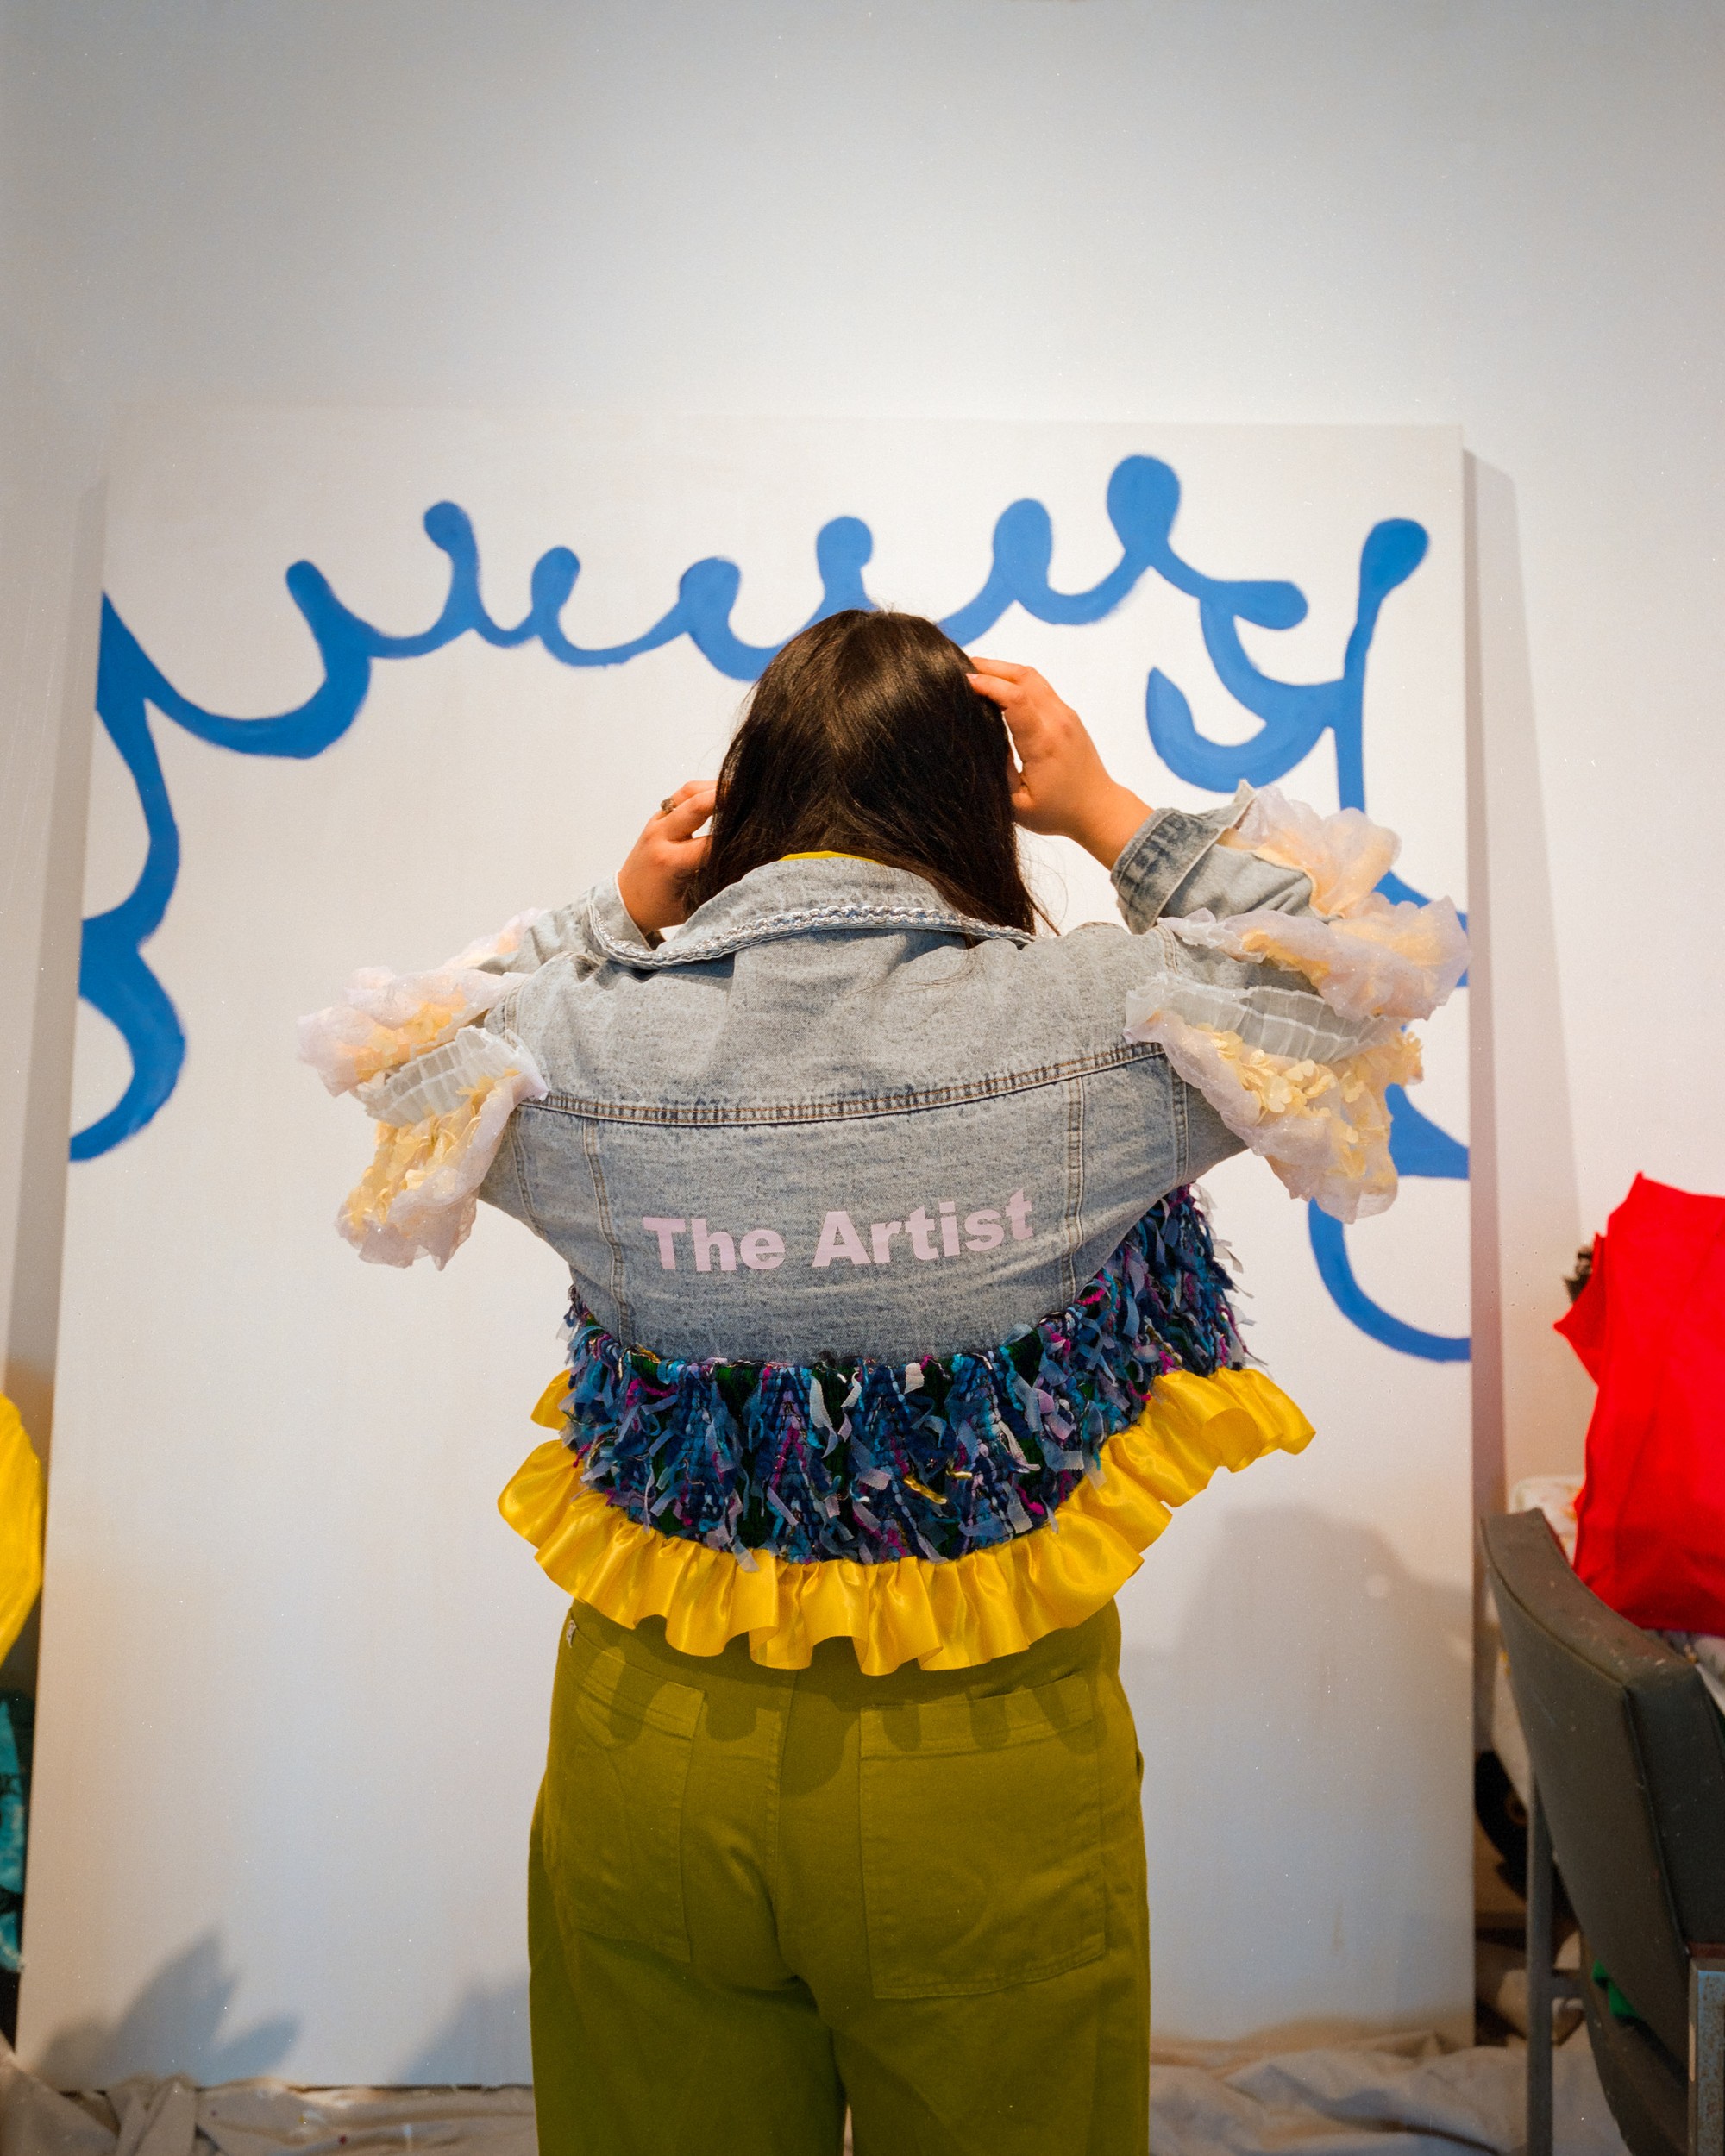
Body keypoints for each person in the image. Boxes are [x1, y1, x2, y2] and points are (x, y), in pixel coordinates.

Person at [301, 610, 1466, 2156]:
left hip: (653, 1754)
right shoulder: (1107, 1019)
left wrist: (617, 914)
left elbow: (404, 1045)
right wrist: (1105, 808)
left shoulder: (581, 1044)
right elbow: (1362, 969)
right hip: (984, 1767)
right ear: (975, 805)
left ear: (747, 802)